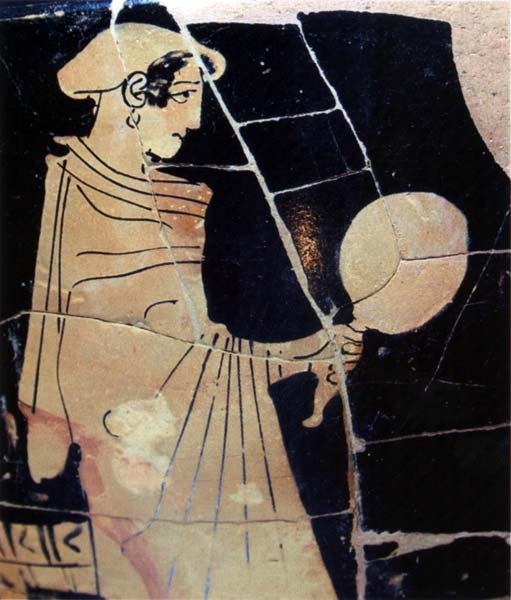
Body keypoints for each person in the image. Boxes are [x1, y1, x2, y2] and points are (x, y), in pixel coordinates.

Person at [17, 22, 361, 599]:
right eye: (181, 97)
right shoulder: (66, 187)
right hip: (139, 459)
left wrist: (309, 352)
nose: (195, 120)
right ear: (134, 93)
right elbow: (69, 342)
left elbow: (197, 350)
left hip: (218, 442)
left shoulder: (181, 198)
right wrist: (45, 428)